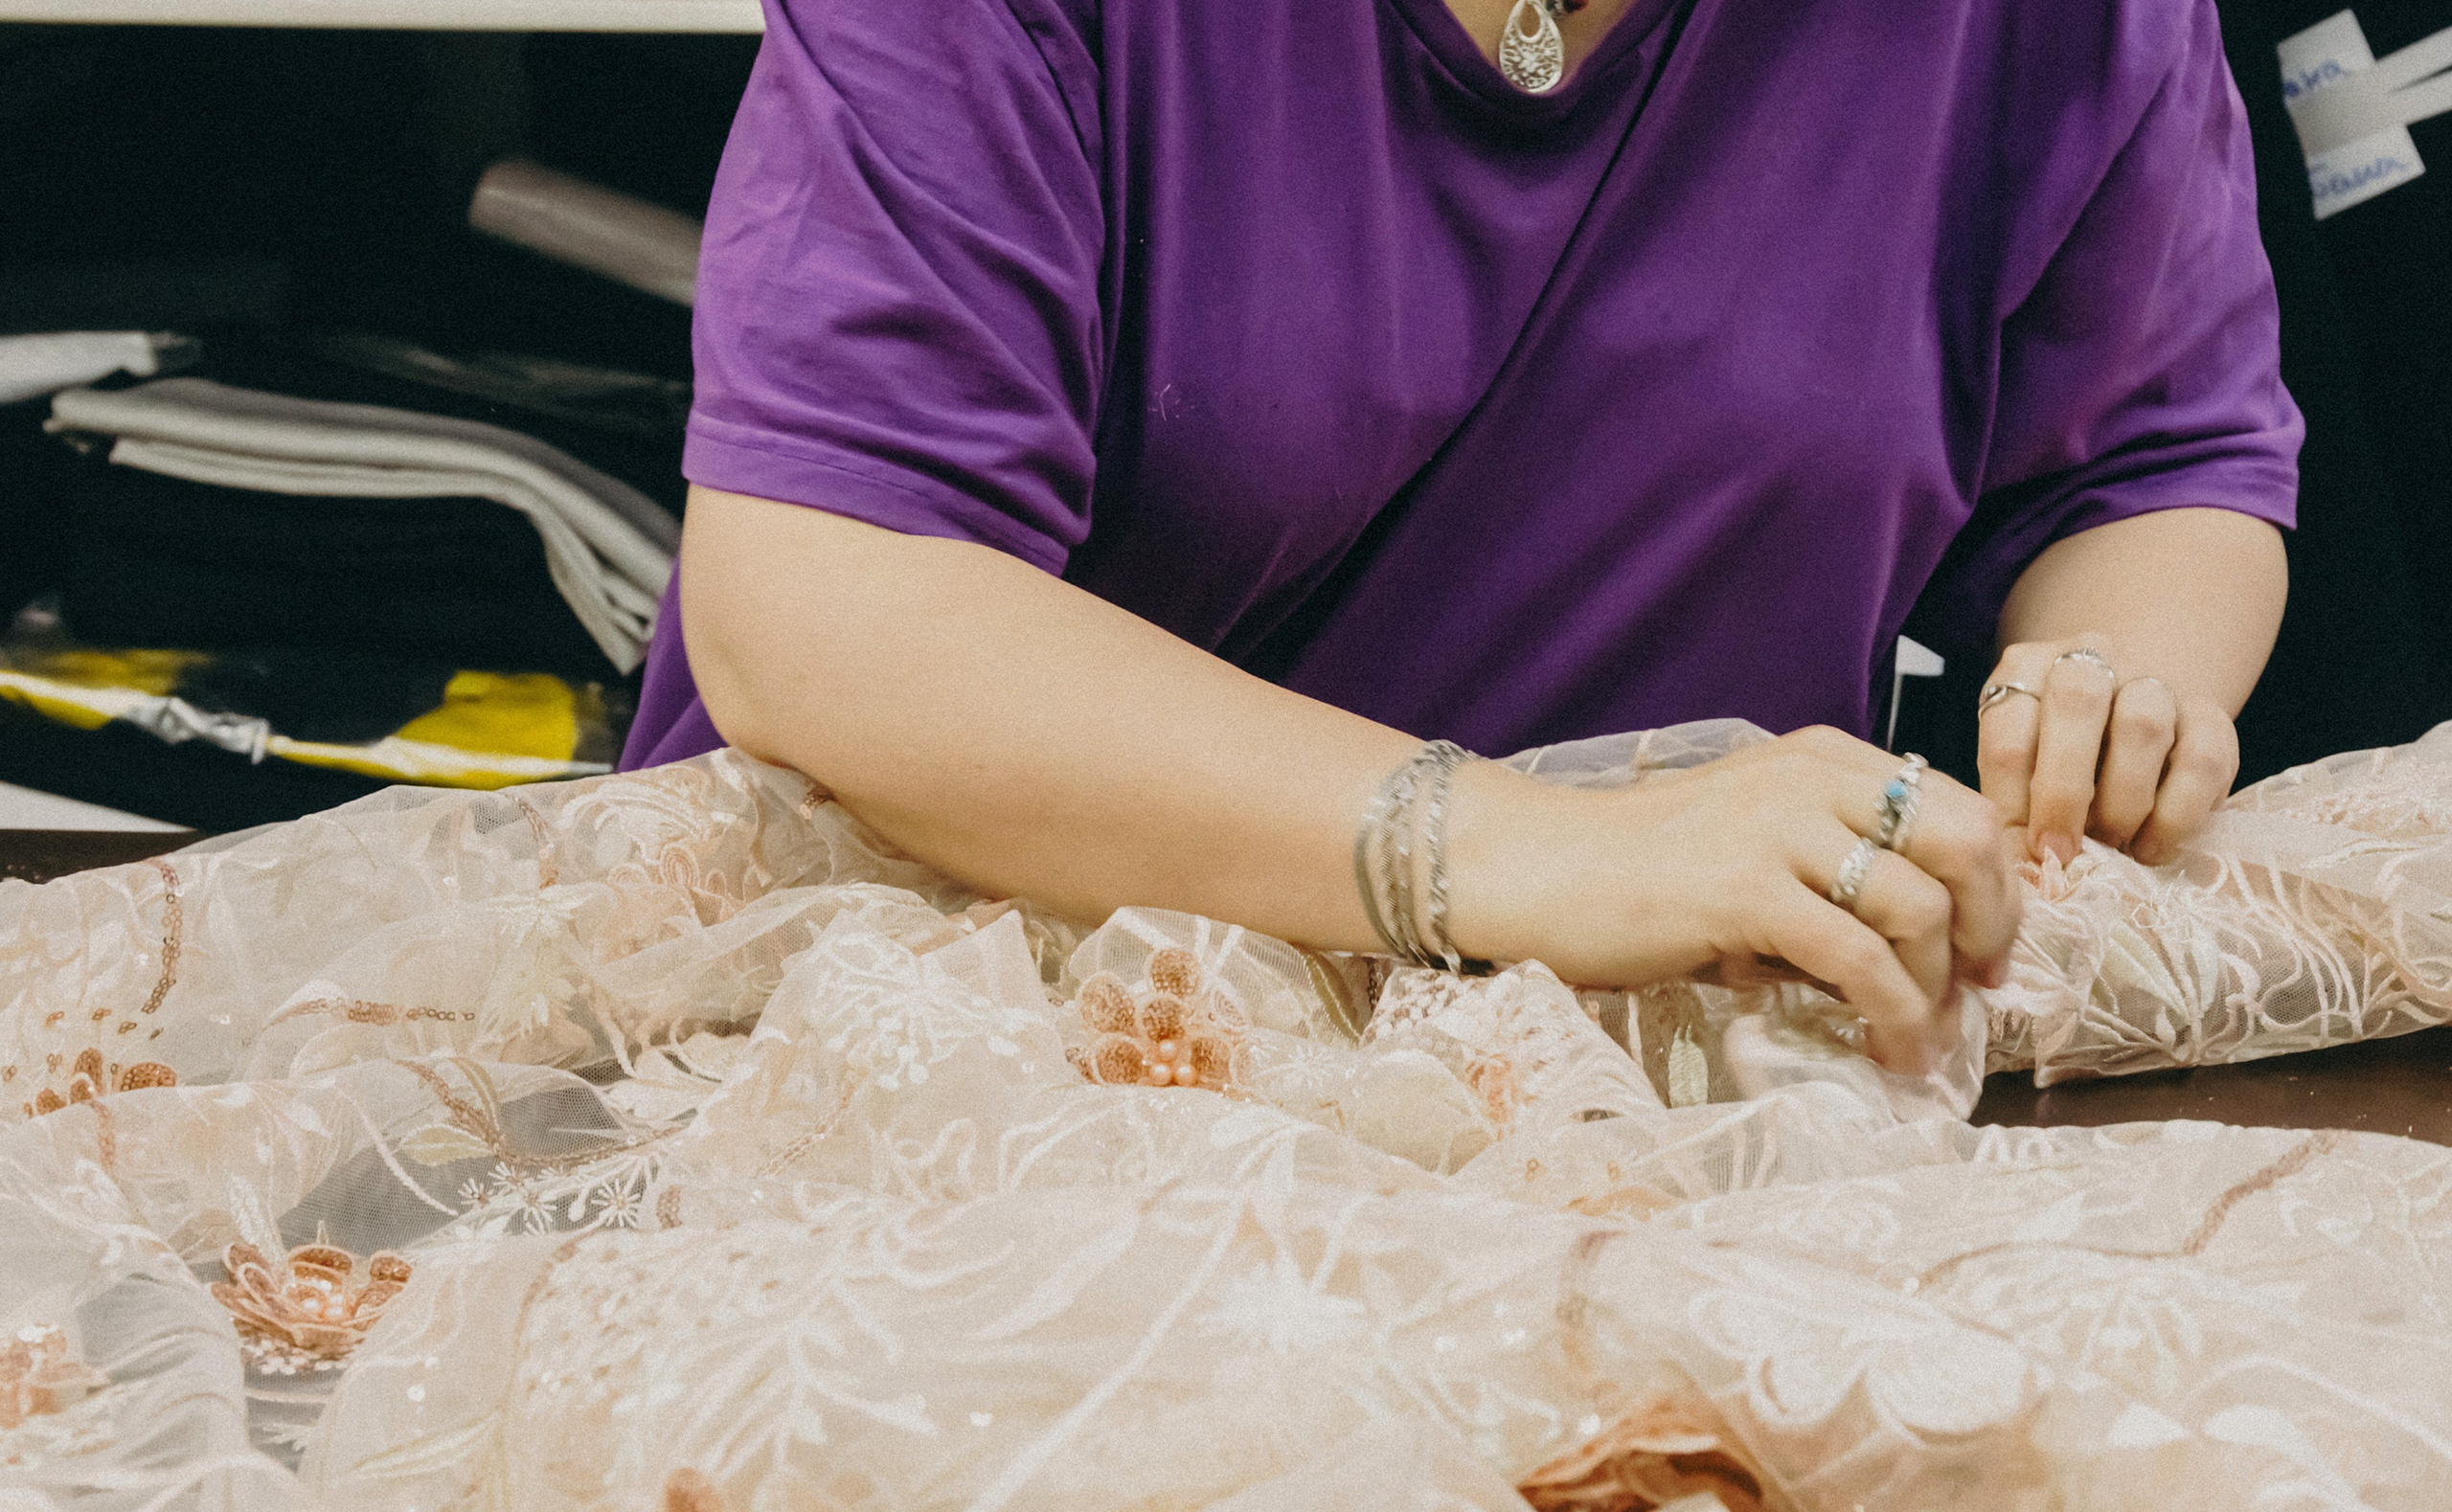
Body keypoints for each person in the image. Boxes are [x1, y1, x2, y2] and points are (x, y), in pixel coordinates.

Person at [620, 0, 2300, 1074]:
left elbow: (2157, 458)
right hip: (946, 1050)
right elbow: (832, 594)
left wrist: (2104, 683)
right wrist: (1522, 853)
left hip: (1643, 1099)